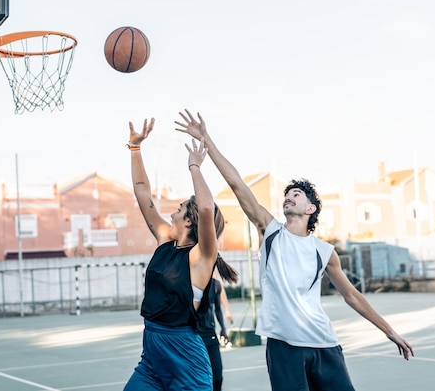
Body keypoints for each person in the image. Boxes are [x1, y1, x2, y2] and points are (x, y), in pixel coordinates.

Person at [175, 110, 414, 391]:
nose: (288, 197)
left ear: (310, 209)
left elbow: (352, 295)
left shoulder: (324, 252)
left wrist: (390, 331)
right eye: (287, 194)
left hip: (324, 343)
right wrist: (206, 139)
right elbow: (237, 184)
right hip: (284, 345)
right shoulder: (271, 231)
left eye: (296, 194)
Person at [123, 118, 238, 391]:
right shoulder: (165, 240)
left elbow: (207, 209)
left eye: (180, 207)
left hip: (185, 357)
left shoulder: (202, 256)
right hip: (152, 351)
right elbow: (142, 194)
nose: (173, 211)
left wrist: (194, 165)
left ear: (189, 221)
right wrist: (134, 148)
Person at [195, 273, 234, 391]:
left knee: (217, 375)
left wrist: (223, 329)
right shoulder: (191, 283)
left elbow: (217, 309)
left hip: (210, 333)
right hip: (194, 334)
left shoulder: (215, 285)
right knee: (199, 375)